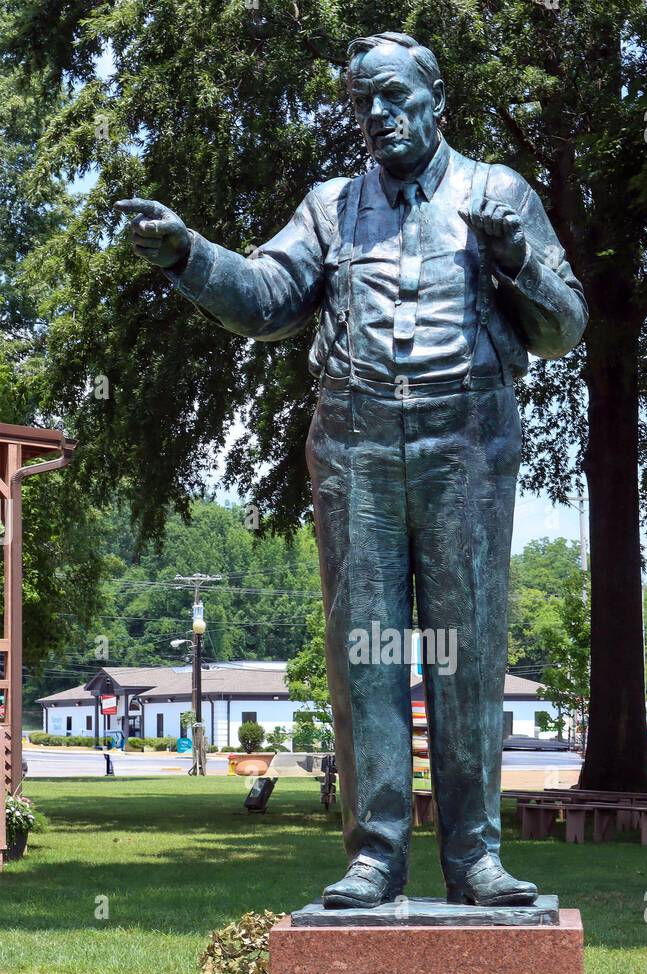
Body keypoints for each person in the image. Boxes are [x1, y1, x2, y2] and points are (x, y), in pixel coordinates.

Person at [116, 31, 587, 908]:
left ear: (435, 99)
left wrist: (516, 255)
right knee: (363, 655)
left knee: (467, 655)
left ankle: (475, 856)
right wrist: (189, 254)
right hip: (356, 450)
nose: (377, 114)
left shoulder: (498, 193)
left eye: (393, 96)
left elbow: (564, 329)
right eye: (362, 101)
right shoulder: (332, 207)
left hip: (467, 448)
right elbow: (265, 299)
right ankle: (375, 853)